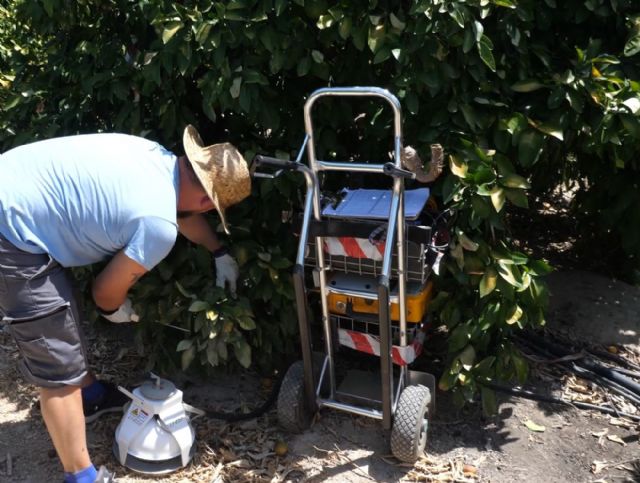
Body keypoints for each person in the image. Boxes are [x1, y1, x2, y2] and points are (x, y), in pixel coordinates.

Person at [0, 125, 251, 482]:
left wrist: (218, 251)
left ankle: (88, 397)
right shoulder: (157, 225)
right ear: (208, 202)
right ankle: (82, 475)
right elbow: (104, 291)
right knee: (57, 366)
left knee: (62, 321)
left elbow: (182, 213)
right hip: (10, 229)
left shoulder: (152, 155)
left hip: (12, 186)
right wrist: (115, 309)